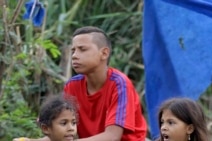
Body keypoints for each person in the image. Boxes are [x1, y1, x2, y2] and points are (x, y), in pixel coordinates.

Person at [13, 26, 147, 141]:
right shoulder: (73, 85)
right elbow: (64, 132)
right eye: (73, 50)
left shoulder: (119, 84)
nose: (75, 56)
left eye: (82, 49)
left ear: (104, 53)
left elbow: (112, 137)